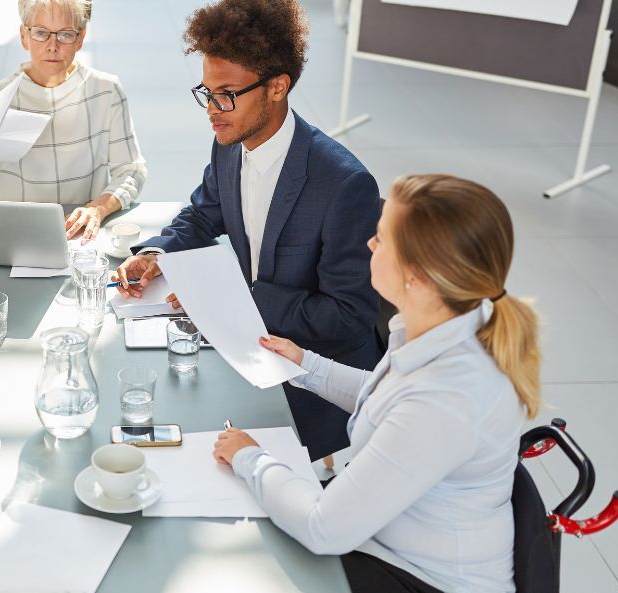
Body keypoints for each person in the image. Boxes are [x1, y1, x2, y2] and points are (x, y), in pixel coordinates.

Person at [214, 174, 541, 593]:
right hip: (387, 535)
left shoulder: (446, 400)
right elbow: (389, 399)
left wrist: (250, 458)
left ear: (416, 276)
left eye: (381, 238)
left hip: (419, 577)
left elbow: (323, 528)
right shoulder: (446, 326)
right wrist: (306, 366)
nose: (369, 243)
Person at [114, 0, 381, 461]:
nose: (212, 111)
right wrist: (158, 254)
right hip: (247, 351)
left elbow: (349, 316)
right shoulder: (230, 141)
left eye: (227, 94)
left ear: (277, 87)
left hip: (314, 387)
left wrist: (234, 300)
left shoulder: (343, 185)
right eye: (207, 92)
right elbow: (203, 213)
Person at [0, 0, 147, 240]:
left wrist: (98, 208)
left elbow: (132, 171)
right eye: (41, 33)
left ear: (81, 37)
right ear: (24, 36)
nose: (52, 46)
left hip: (80, 237)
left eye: (65, 34)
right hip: (12, 237)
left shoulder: (107, 91)